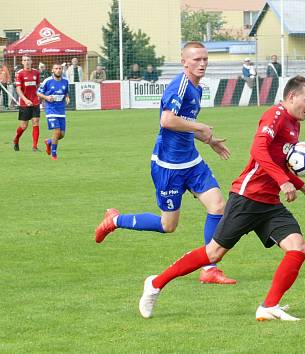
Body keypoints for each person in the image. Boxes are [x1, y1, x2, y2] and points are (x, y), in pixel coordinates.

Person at [137, 75, 305, 321]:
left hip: (270, 203)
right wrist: (284, 182)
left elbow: (281, 164)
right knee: (214, 253)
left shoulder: (294, 123)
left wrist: (303, 187)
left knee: (298, 247)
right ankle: (155, 283)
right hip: (247, 197)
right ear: (292, 97)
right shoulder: (276, 115)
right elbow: (257, 150)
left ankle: (269, 306)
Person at [94, 41, 236, 285]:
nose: (202, 63)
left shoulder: (197, 88)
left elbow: (185, 125)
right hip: (168, 167)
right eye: (196, 60)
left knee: (218, 206)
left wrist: (209, 139)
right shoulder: (179, 86)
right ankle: (115, 220)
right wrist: (199, 126)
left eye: (205, 59)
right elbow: (167, 120)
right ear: (184, 62)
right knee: (168, 225)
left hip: (191, 162)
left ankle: (210, 269)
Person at [37, 63, 70, 160]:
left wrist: (67, 97)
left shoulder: (65, 81)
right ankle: (54, 153)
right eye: (56, 68)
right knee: (57, 131)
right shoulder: (47, 81)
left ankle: (49, 142)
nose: (58, 70)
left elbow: (66, 93)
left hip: (61, 110)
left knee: (62, 135)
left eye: (60, 68)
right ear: (52, 70)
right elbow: (38, 92)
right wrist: (46, 97)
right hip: (51, 109)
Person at [12, 55, 41, 152]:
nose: (27, 62)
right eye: (25, 60)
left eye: (28, 60)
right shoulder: (19, 73)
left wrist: (39, 97)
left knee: (36, 122)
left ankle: (35, 146)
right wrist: (25, 100)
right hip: (24, 103)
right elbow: (18, 89)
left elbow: (37, 86)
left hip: (35, 102)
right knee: (24, 126)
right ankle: (16, 139)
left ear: (31, 61)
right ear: (22, 62)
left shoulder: (36, 72)